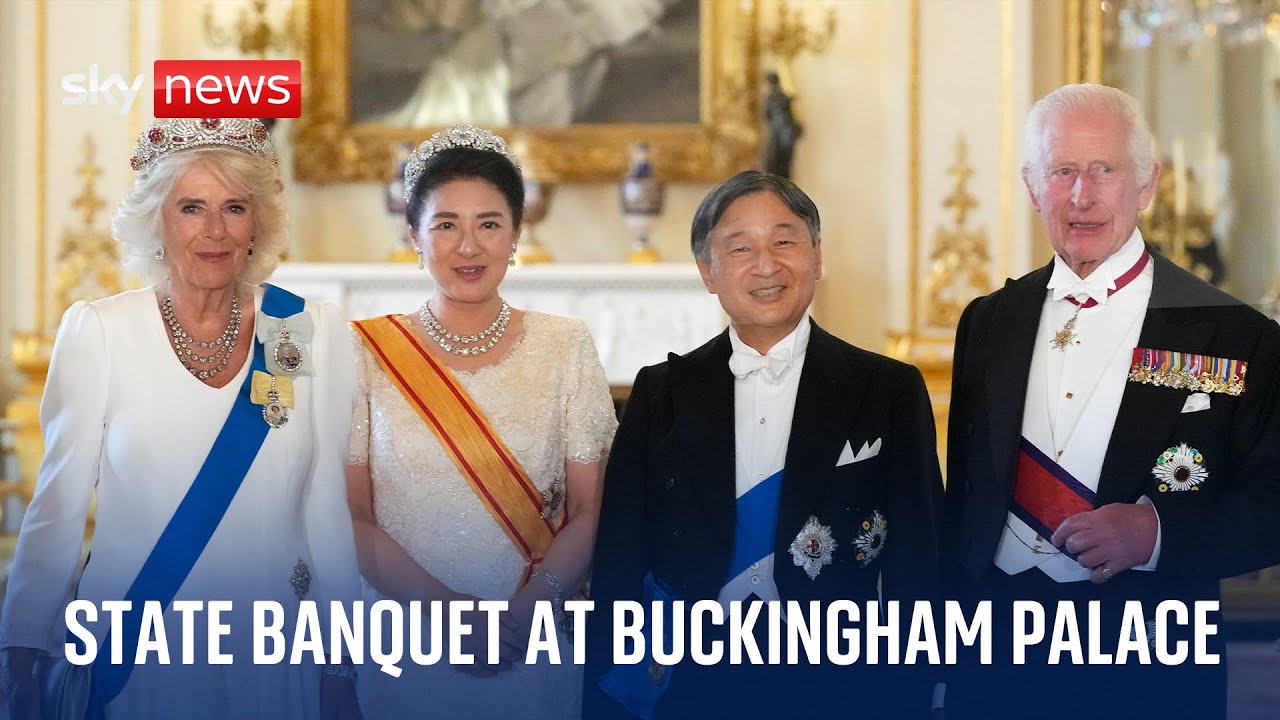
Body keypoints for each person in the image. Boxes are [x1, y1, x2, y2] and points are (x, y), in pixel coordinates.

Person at [0, 118, 362, 720]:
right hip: (136, 654)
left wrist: (343, 663)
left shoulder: (303, 331)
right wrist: (19, 657)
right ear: (157, 222)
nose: (214, 231)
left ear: (258, 223)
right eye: (192, 207)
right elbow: (55, 514)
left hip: (274, 654)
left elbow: (328, 513)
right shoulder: (101, 333)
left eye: (235, 207)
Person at [943, 83, 1280, 720]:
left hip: (1151, 661)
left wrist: (1158, 534)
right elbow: (965, 498)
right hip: (995, 659)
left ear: (1146, 184)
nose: (1081, 195)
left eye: (1104, 170)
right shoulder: (986, 322)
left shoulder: (1238, 336)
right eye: (1062, 171)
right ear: (1031, 186)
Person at [586, 170, 944, 719]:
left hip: (839, 681)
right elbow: (620, 555)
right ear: (708, 271)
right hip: (690, 680)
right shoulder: (661, 393)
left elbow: (918, 560)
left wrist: (909, 693)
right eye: (739, 248)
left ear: (817, 257)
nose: (765, 264)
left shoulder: (887, 389)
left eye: (784, 241)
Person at [346, 125, 617, 720]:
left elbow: (593, 509)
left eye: (489, 224)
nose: (468, 246)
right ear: (413, 234)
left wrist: (527, 613)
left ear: (516, 236)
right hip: (405, 634)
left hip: (535, 635)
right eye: (446, 224)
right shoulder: (365, 352)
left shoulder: (564, 346)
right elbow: (355, 518)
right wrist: (445, 613)